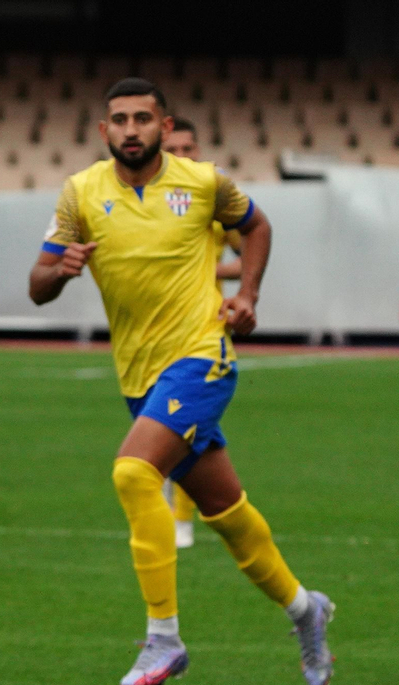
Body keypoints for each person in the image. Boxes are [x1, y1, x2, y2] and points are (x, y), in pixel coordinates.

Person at [28, 78, 334, 685]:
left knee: (133, 473)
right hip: (140, 376)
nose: (131, 128)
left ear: (166, 128)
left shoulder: (202, 183)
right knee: (226, 512)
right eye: (120, 119)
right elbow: (36, 284)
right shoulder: (81, 193)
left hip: (202, 357)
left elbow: (258, 226)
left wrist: (246, 296)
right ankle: (307, 610)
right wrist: (58, 272)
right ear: (103, 131)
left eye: (144, 118)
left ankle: (163, 639)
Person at [162, 115, 244, 548]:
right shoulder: (142, 203)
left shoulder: (212, 198)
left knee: (182, 427)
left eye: (188, 149)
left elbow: (248, 253)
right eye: (171, 150)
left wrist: (212, 270)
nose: (181, 157)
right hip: (149, 332)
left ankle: (178, 518)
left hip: (202, 331)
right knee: (181, 430)